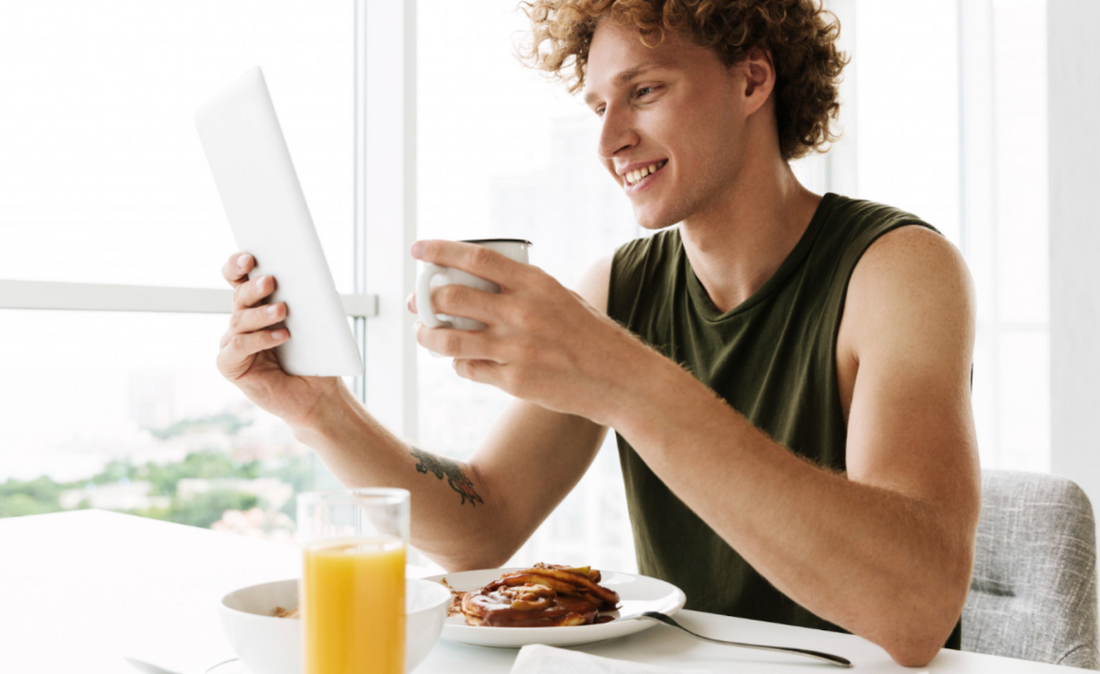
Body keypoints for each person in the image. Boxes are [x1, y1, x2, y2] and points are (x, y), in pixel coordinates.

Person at [217, 0, 979, 666]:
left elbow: (915, 612)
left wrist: (622, 378)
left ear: (752, 80)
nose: (610, 139)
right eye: (597, 107)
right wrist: (321, 410)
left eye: (644, 91)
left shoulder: (898, 270)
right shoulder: (623, 285)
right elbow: (482, 527)